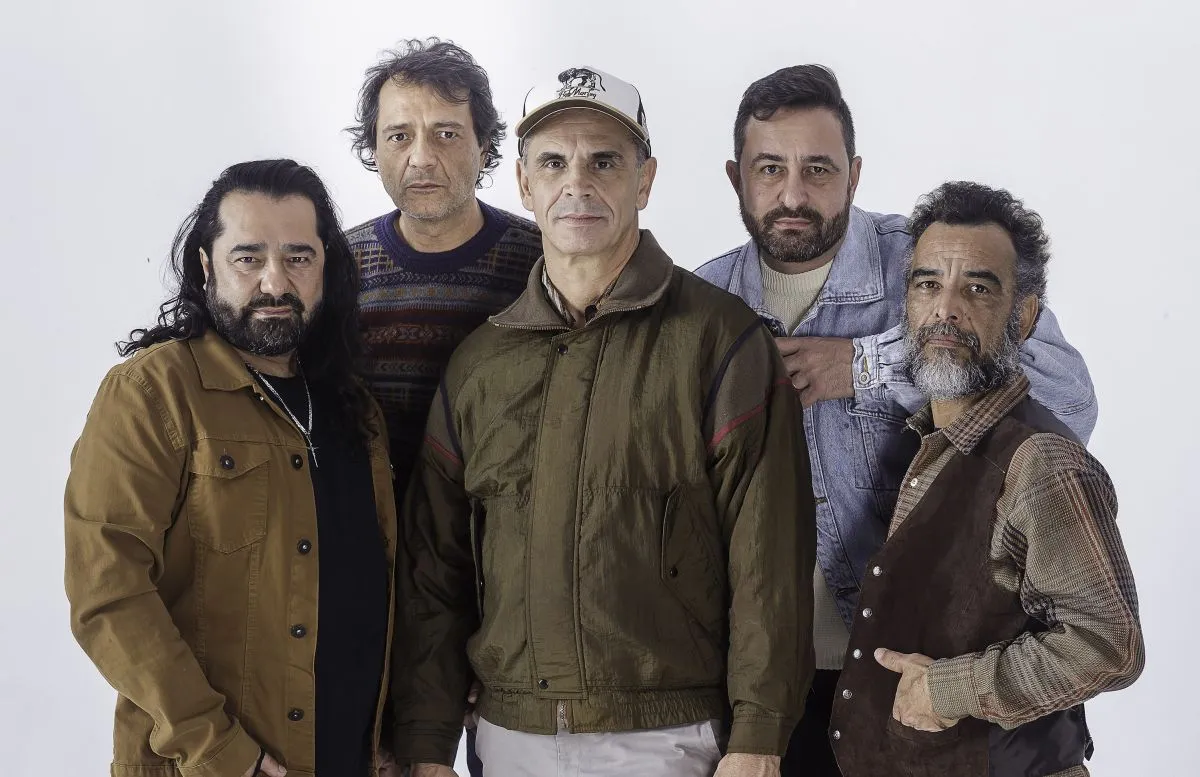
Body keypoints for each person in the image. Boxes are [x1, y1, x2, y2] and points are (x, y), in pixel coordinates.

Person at [391, 66, 815, 777]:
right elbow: (437, 570)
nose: (577, 184)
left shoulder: (720, 339)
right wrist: (427, 743)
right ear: (524, 185)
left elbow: (769, 556)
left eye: (604, 162)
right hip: (510, 733)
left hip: (669, 736)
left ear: (644, 181)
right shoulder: (480, 364)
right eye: (553, 163)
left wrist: (759, 734)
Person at [693, 65, 1098, 776]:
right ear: (736, 178)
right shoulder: (705, 300)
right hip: (765, 686)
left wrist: (868, 366)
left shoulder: (932, 257)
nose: (794, 194)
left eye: (819, 169)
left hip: (927, 674)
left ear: (854, 174)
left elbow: (1067, 402)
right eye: (770, 168)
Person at [65, 159, 397, 777]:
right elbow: (106, 594)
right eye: (249, 257)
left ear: (326, 267)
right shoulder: (153, 392)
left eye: (298, 257)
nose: (275, 281)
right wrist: (220, 751)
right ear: (206, 265)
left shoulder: (355, 408)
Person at [829, 180, 1143, 776]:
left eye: (977, 288)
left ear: (1023, 317)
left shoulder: (1041, 462)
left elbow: (1110, 644)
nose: (945, 310)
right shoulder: (929, 440)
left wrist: (950, 690)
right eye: (928, 284)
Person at [347, 38, 542, 501]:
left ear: (484, 145)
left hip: (505, 525)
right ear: (374, 148)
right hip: (369, 525)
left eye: (446, 134)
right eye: (399, 136)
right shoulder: (334, 266)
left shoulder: (544, 261)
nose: (421, 158)